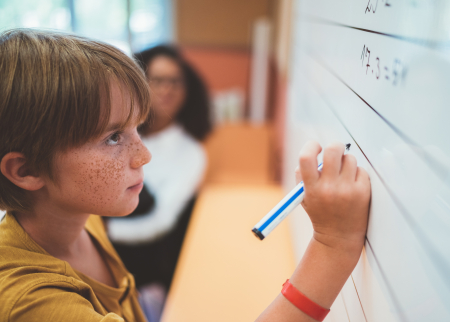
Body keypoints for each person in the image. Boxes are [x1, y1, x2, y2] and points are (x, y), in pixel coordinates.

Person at [0, 29, 370, 322]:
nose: (143, 155)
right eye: (113, 137)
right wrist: (332, 247)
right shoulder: (33, 302)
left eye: (137, 130)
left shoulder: (82, 220)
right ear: (27, 170)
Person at [106, 45, 211, 298]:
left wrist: (97, 234)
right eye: (158, 80)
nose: (167, 89)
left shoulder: (191, 153)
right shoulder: (112, 133)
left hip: (136, 258)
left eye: (176, 82)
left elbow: (161, 221)